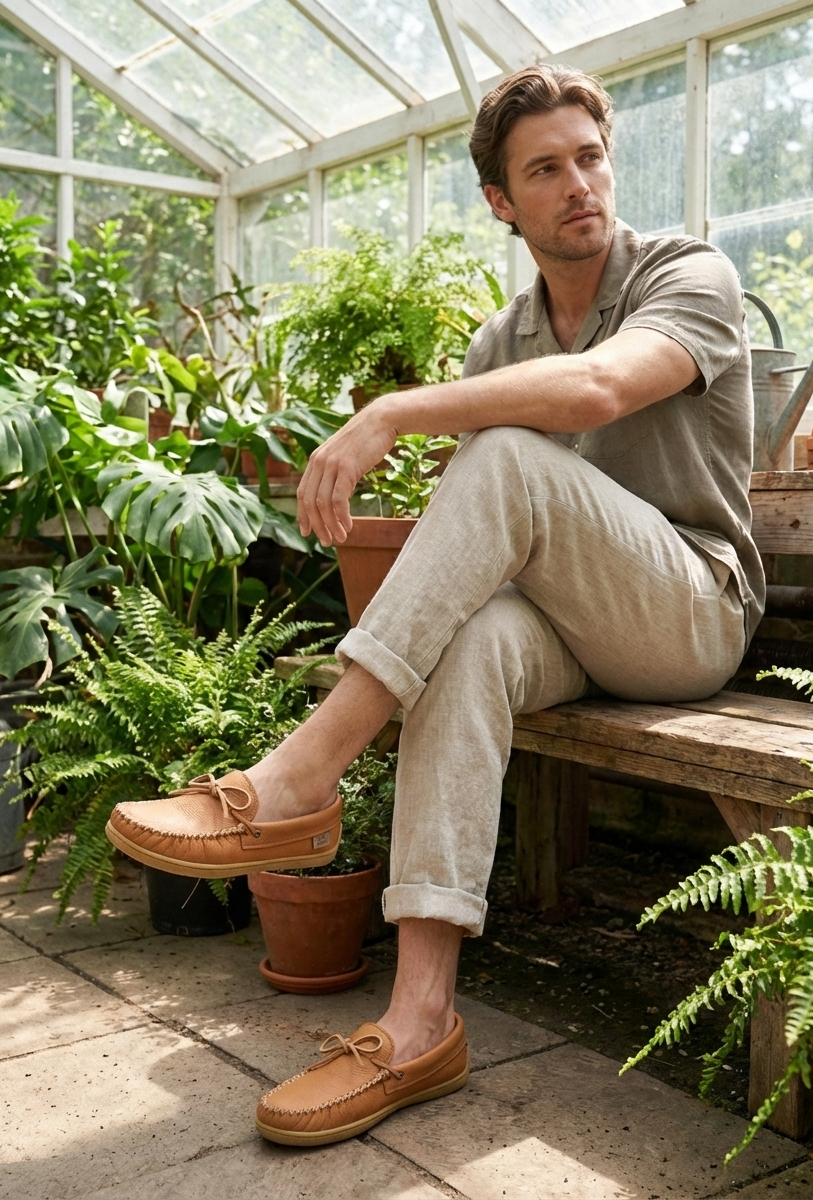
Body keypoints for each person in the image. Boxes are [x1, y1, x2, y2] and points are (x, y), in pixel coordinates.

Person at [106, 63, 763, 1148]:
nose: (578, 184)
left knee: (504, 454)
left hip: (692, 610)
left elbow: (599, 389)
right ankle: (419, 1023)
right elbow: (495, 544)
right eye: (543, 170)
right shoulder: (500, 340)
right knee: (471, 644)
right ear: (502, 203)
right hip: (573, 626)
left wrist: (393, 413)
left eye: (590, 158)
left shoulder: (690, 273)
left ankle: (299, 778)